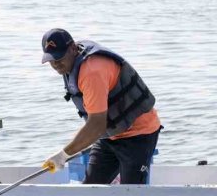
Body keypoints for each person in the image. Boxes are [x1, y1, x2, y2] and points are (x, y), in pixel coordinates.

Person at [40, 28, 162, 184]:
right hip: (110, 136)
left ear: (72, 48)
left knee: (132, 193)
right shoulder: (72, 63)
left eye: (59, 58)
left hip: (138, 134)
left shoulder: (92, 72)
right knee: (91, 187)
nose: (56, 64)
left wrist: (64, 155)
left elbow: (96, 125)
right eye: (51, 59)